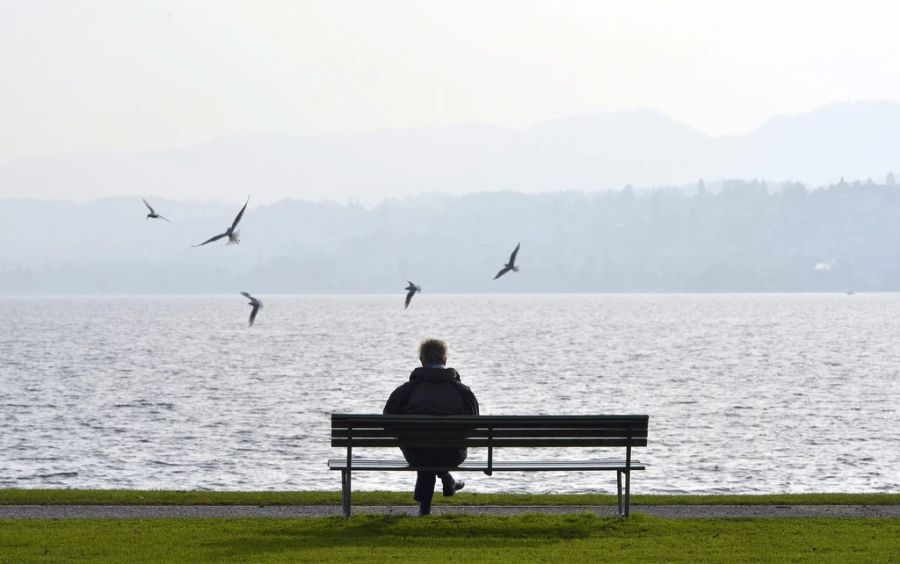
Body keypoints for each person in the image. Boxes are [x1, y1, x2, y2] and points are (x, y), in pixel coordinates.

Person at [384, 338, 480, 516]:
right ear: (445, 361)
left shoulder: (406, 391)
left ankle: (426, 507)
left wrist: (408, 436)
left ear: (422, 361)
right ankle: (445, 479)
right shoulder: (463, 392)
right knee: (433, 448)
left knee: (425, 449)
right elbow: (473, 425)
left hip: (416, 454)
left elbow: (387, 423)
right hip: (453, 454)